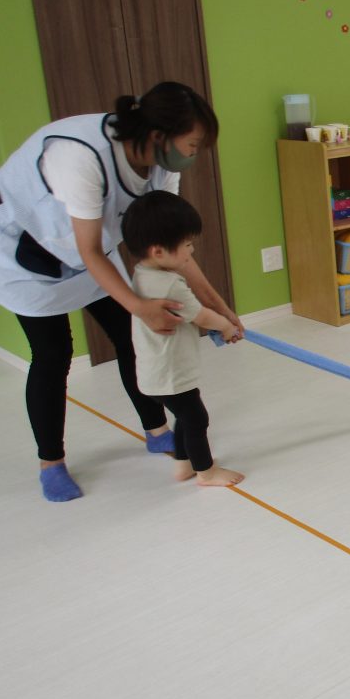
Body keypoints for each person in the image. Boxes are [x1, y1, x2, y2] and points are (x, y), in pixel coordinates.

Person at [0, 81, 242, 502]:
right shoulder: (81, 157)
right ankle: (51, 463)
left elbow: (171, 247)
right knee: (52, 354)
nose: (194, 155)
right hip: (28, 247)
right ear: (158, 135)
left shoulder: (161, 164)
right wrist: (140, 304)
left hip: (92, 252)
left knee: (128, 335)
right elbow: (86, 249)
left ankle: (156, 430)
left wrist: (221, 308)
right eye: (193, 145)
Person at [122, 191, 243, 487]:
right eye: (187, 244)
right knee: (196, 419)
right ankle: (206, 472)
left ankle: (182, 464)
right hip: (172, 372)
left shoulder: (141, 274)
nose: (191, 251)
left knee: (184, 416)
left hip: (156, 372)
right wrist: (226, 326)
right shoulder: (169, 285)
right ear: (158, 252)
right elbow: (201, 316)